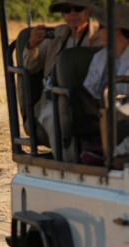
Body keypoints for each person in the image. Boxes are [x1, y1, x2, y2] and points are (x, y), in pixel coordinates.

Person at [23, 0, 102, 154]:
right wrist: (32, 45)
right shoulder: (56, 35)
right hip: (53, 98)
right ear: (63, 13)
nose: (72, 14)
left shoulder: (101, 36)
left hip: (88, 99)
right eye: (67, 9)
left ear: (88, 11)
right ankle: (65, 162)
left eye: (78, 8)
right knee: (54, 118)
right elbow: (30, 67)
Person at [69, 4, 129, 166]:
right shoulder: (100, 57)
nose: (98, 31)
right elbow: (89, 90)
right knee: (78, 93)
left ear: (114, 30)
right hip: (103, 112)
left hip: (125, 113)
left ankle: (103, 146)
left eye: (101, 26)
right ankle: (100, 142)